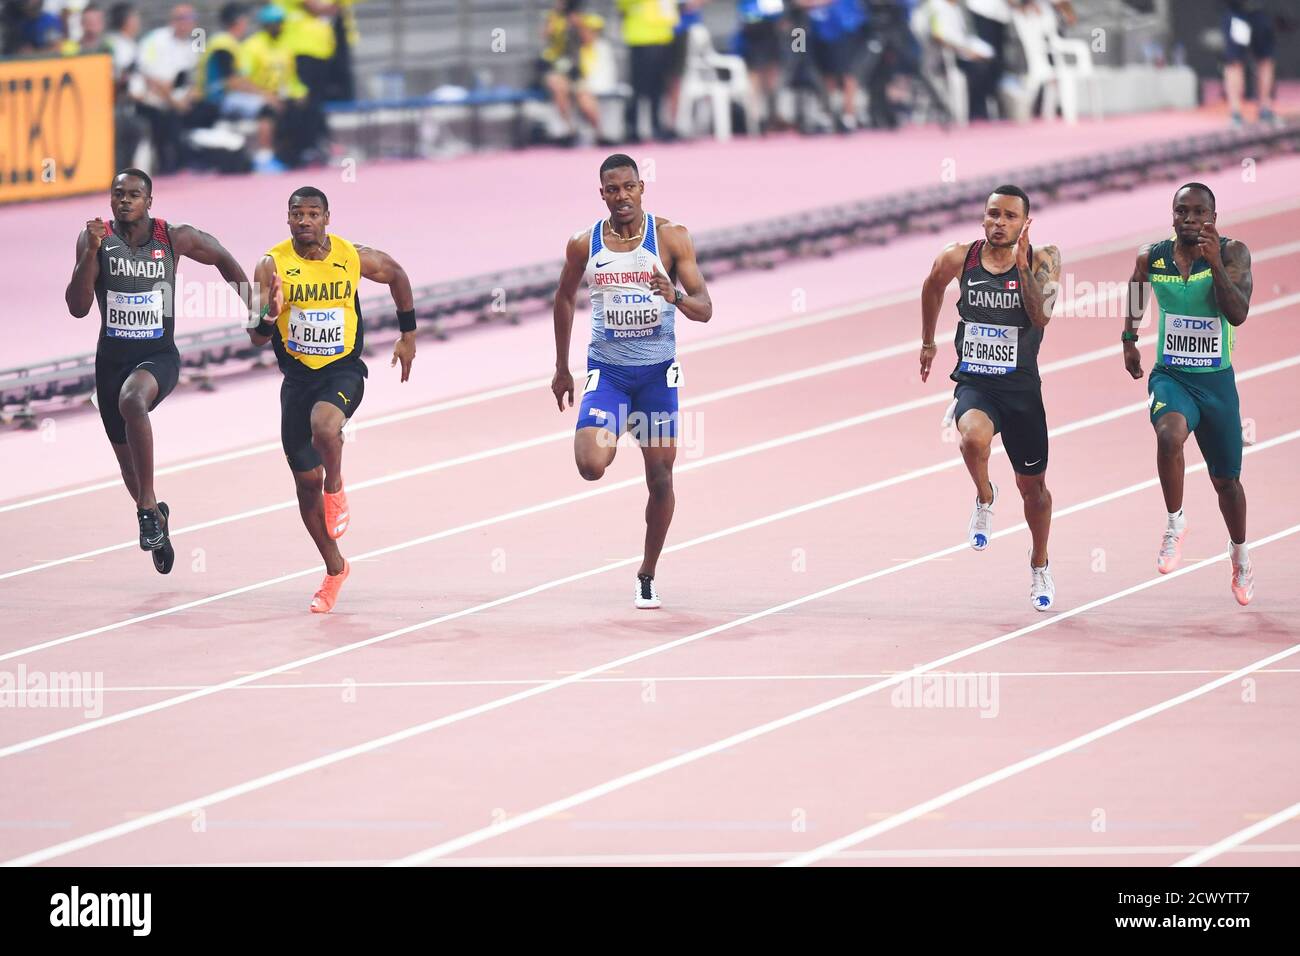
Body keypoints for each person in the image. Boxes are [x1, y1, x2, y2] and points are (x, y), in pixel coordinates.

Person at [63, 169, 254, 573]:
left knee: (133, 400)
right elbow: (78, 308)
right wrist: (88, 253)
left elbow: (220, 255)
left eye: (134, 195)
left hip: (158, 357)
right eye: (118, 194)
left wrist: (255, 306)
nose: (125, 201)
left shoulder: (173, 237)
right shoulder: (95, 239)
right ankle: (156, 520)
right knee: (127, 466)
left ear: (150, 201)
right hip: (110, 361)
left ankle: (147, 509)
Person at [551, 154, 713, 609]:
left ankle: (647, 573)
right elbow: (563, 298)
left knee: (660, 479)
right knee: (590, 465)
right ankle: (613, 418)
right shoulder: (585, 244)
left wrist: (675, 296)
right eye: (612, 189)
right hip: (610, 373)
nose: (621, 196)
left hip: (657, 376)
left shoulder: (671, 238)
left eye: (629, 187)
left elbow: (705, 308)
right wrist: (563, 367)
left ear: (642, 188)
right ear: (601, 194)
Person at [248, 187, 417, 613]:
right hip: (297, 380)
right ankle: (335, 568)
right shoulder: (270, 265)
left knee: (326, 426)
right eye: (296, 214)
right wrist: (270, 313)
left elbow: (396, 274)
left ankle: (337, 487)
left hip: (343, 370)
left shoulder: (351, 256)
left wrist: (408, 336)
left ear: (327, 217)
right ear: (287, 219)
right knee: (305, 489)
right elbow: (254, 335)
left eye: (312, 214)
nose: (303, 221)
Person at [919, 185, 1062, 610]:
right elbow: (931, 286)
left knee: (1033, 490)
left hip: (1021, 391)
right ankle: (984, 496)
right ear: (983, 218)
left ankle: (1039, 563)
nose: (999, 223)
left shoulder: (1044, 259)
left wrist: (1021, 268)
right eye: (992, 214)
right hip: (977, 382)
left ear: (1025, 223)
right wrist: (928, 342)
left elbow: (1041, 318)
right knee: (972, 439)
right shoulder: (958, 257)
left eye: (1009, 217)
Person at [1123, 183, 1255, 605]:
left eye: (1200, 213)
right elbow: (1137, 286)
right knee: (1169, 434)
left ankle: (1239, 555)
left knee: (1227, 482)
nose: (1191, 220)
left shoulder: (1233, 252)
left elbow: (1238, 313)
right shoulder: (1153, 256)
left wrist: (1214, 262)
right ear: (1172, 214)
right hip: (1171, 376)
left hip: (1216, 383)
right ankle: (1175, 524)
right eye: (1183, 211)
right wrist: (1129, 337)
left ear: (1214, 217)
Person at [195, 2, 285, 173]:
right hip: (217, 98)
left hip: (226, 96)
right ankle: (264, 158)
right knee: (266, 109)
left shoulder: (232, 44)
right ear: (238, 21)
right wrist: (264, 95)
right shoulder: (223, 44)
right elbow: (232, 81)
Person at [136, 3, 200, 173]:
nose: (186, 23)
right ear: (173, 20)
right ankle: (170, 166)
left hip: (177, 98)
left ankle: (194, 161)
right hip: (153, 98)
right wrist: (173, 101)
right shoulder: (155, 40)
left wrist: (188, 97)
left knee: (204, 109)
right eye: (182, 19)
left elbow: (190, 79)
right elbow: (149, 76)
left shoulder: (191, 46)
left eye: (190, 19)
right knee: (166, 117)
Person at [540, 0, 611, 146]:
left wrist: (579, 24)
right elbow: (545, 36)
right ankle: (570, 131)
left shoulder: (581, 19)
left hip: (574, 70)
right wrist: (556, 22)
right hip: (554, 67)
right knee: (559, 87)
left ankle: (600, 134)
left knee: (585, 98)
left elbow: (589, 41)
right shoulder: (553, 18)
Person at [616, 0, 680, 142]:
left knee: (657, 86)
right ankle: (631, 128)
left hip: (663, 37)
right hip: (640, 38)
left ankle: (656, 126)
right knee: (637, 87)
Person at [1221, 0, 1279, 128]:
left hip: (1258, 12)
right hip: (1237, 13)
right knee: (1234, 62)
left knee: (1265, 60)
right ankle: (1235, 114)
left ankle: (1265, 109)